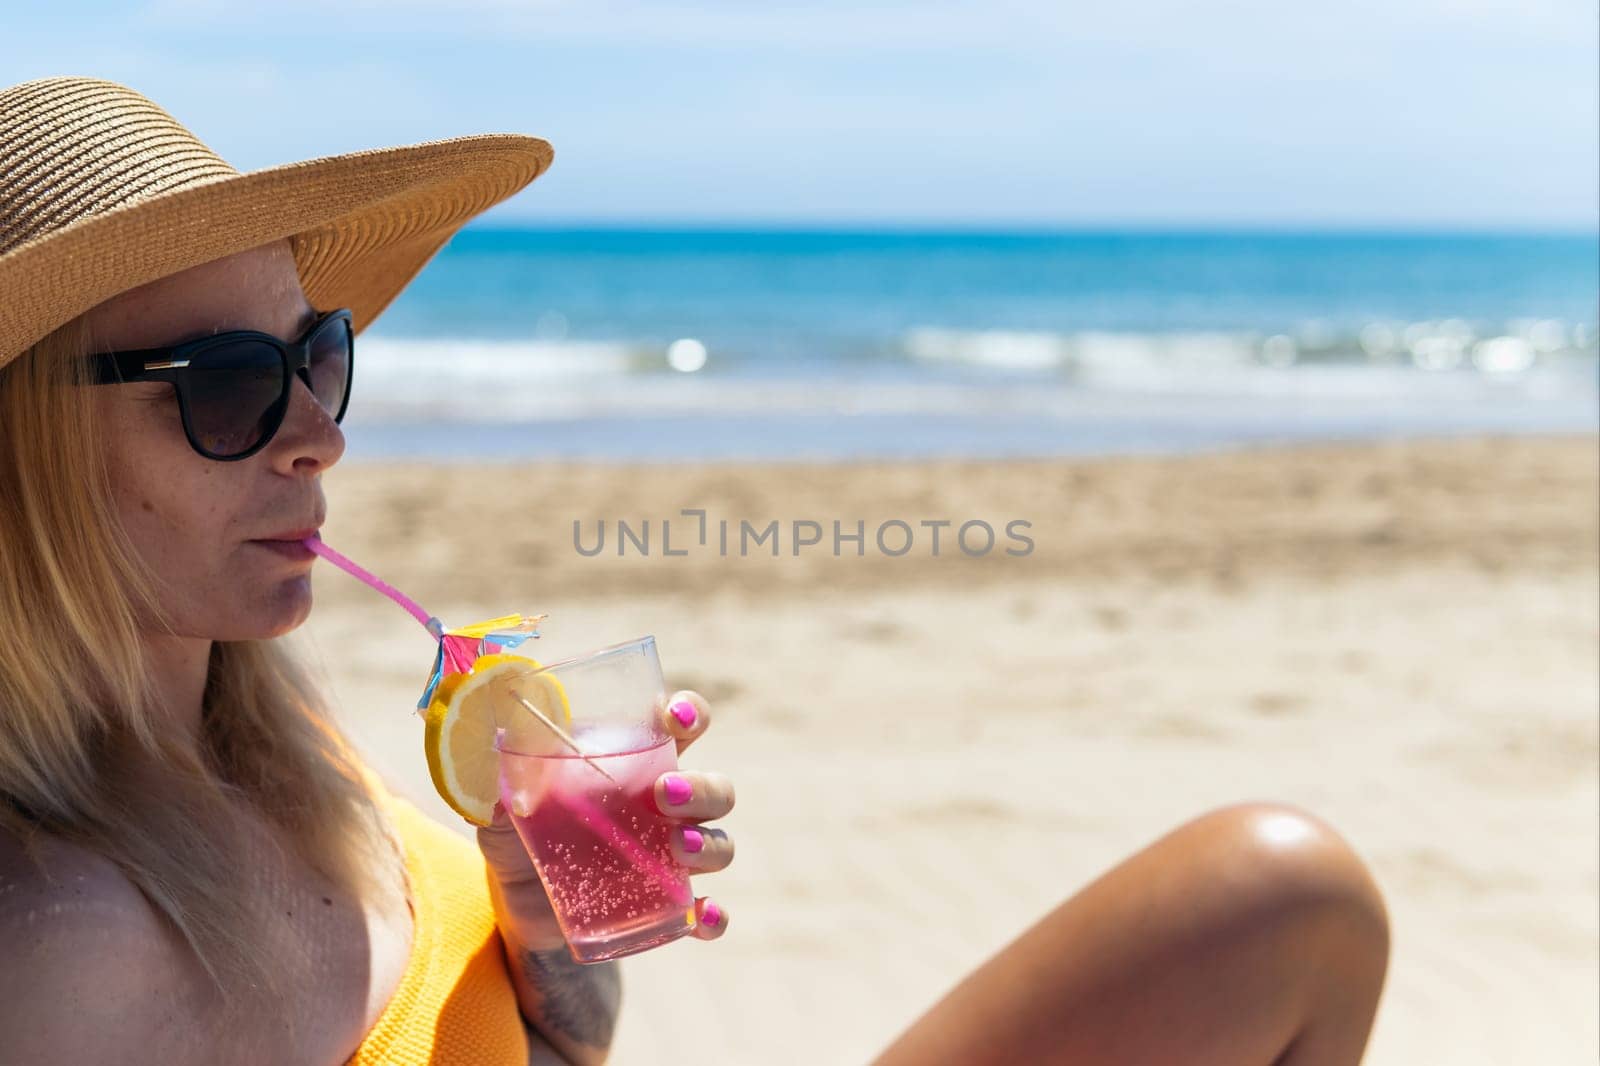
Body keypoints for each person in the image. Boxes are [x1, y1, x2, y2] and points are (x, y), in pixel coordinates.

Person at [0, 76, 1390, 1065]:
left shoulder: (263, 730)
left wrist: (555, 948)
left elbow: (552, 1044)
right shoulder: (61, 956)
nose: (319, 435)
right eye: (234, 385)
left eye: (320, 356)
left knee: (1283, 898)